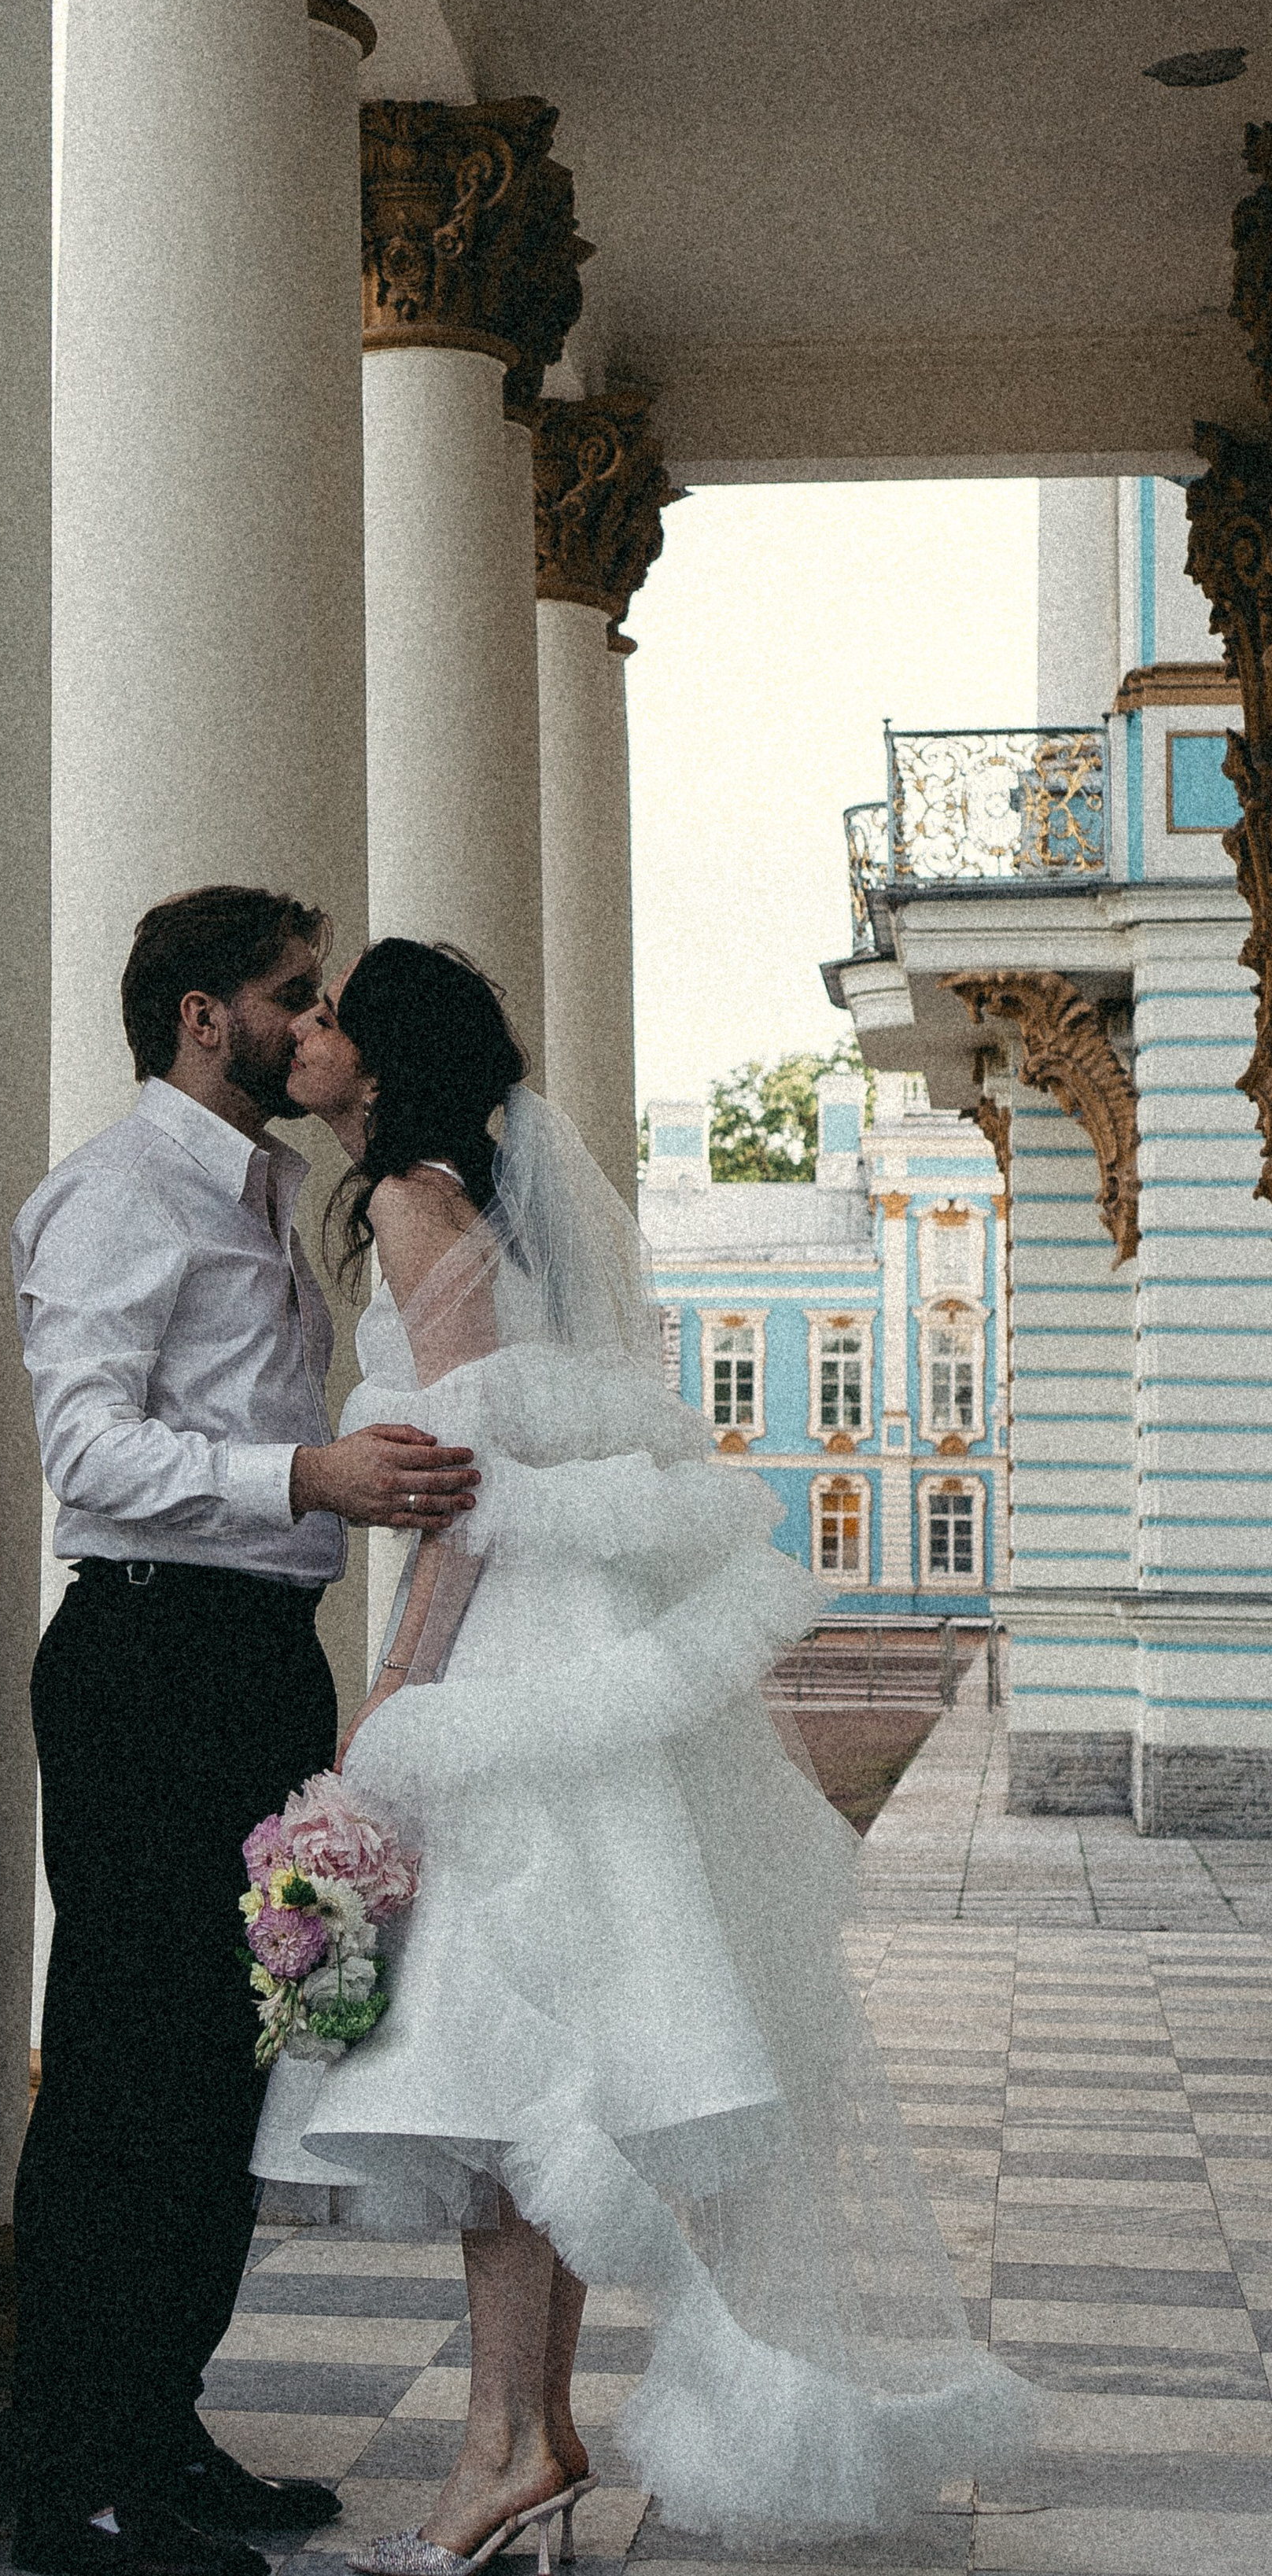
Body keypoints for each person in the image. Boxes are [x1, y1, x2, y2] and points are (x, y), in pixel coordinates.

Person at [253, 938, 1034, 2567]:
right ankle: (518, 2442)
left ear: (385, 1060)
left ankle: (509, 2444)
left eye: (330, 1020)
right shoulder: (473, 1200)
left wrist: (399, 1690)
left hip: (513, 1663)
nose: (305, 1038)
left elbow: (457, 1487)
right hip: (576, 1644)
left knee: (496, 2061)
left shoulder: (408, 1200)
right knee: (525, 2069)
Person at [9, 888, 482, 2576]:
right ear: (202, 1017)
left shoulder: (267, 1191)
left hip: (254, 1659)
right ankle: (73, 2479)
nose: (314, 1020)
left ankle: (161, 2427)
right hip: (147, 1660)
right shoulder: (114, 1196)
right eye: (293, 995)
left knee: (216, 2074)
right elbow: (87, 1453)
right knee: (127, 2072)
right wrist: (306, 1478)